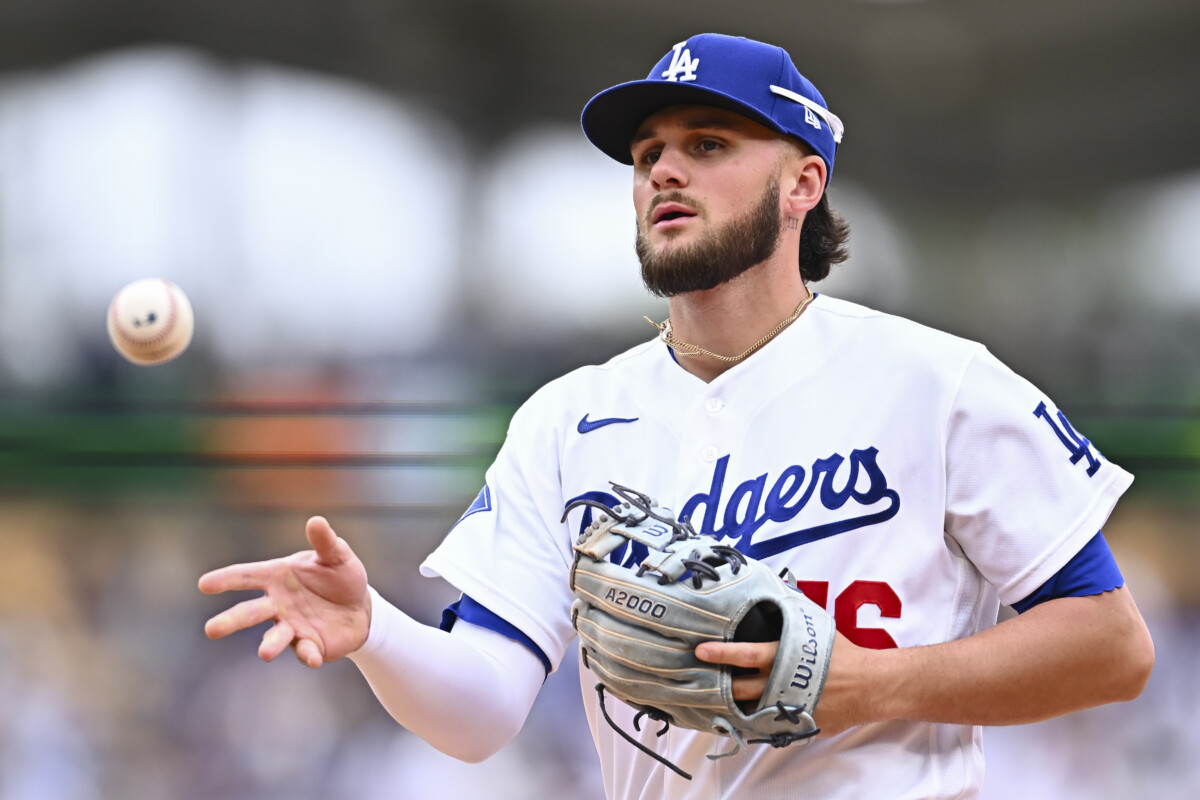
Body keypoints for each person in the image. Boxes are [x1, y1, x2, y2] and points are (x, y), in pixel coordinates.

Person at [199, 33, 1154, 799]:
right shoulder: (569, 421)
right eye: (647, 152)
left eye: (708, 145)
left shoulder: (937, 383)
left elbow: (1112, 645)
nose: (663, 171)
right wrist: (378, 632)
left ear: (802, 184)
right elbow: (483, 713)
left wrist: (868, 683)